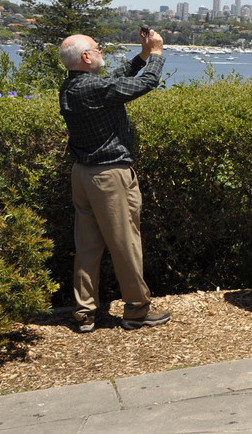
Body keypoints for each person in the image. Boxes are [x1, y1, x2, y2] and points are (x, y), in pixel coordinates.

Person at [58, 28, 171, 332]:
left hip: (82, 175)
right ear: (86, 56)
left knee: (87, 247)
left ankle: (84, 311)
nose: (101, 53)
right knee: (125, 244)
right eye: (97, 49)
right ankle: (136, 309)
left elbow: (117, 78)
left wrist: (143, 55)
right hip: (108, 177)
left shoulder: (72, 87)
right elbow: (145, 83)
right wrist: (157, 54)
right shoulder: (94, 89)